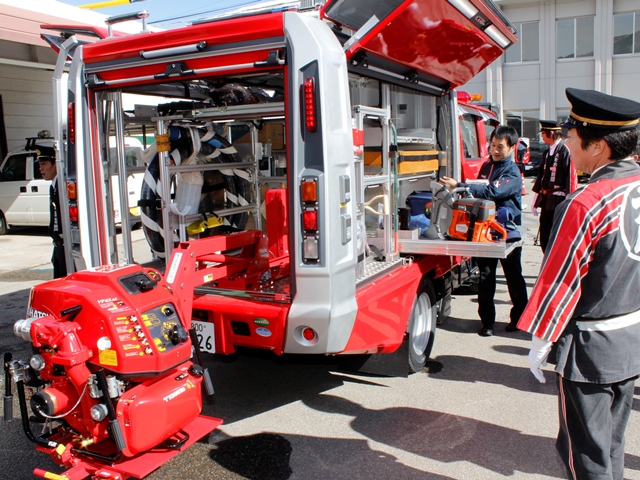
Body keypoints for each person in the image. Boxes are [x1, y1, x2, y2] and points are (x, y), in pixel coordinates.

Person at [517, 88, 640, 480]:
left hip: (590, 348)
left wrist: (541, 339)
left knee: (585, 455)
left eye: (572, 136)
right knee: (612, 444)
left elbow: (560, 280)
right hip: (631, 337)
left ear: (599, 146)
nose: (567, 142)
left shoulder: (587, 201)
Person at [441, 125, 528, 336]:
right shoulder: (487, 166)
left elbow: (492, 191)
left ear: (512, 147)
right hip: (484, 232)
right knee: (485, 277)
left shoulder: (513, 172)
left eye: (500, 146)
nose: (495, 150)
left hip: (507, 232)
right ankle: (487, 322)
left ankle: (520, 319)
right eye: (492, 145)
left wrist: (461, 185)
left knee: (513, 276)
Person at [532, 120, 577, 253]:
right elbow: (541, 176)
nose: (542, 136)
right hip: (546, 200)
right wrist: (535, 200)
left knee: (557, 236)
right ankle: (547, 262)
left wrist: (569, 201)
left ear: (551, 133)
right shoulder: (547, 153)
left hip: (559, 200)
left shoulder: (565, 151)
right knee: (544, 236)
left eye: (543, 133)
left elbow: (571, 176)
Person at [35, 146, 67, 278]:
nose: (40, 168)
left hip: (65, 247)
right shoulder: (54, 186)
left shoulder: (63, 185)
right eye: (40, 165)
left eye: (44, 164)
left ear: (55, 163)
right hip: (59, 246)